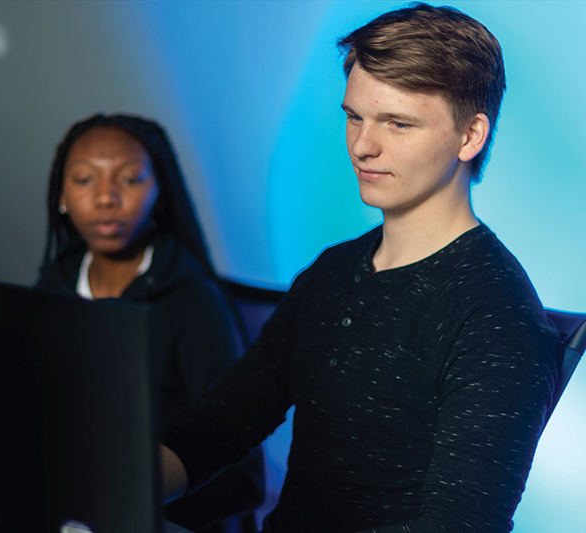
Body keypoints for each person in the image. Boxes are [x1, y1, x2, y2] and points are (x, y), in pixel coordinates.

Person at [160, 4, 561, 532]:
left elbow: (459, 524)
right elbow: (222, 423)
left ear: (470, 137)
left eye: (398, 123)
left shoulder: (496, 318)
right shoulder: (333, 271)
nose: (362, 147)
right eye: (355, 116)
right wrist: (103, 489)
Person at [36, 113, 264, 532]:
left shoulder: (191, 299)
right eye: (85, 180)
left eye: (129, 179)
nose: (105, 198)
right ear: (61, 196)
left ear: (160, 192)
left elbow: (243, 478)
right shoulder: (54, 283)